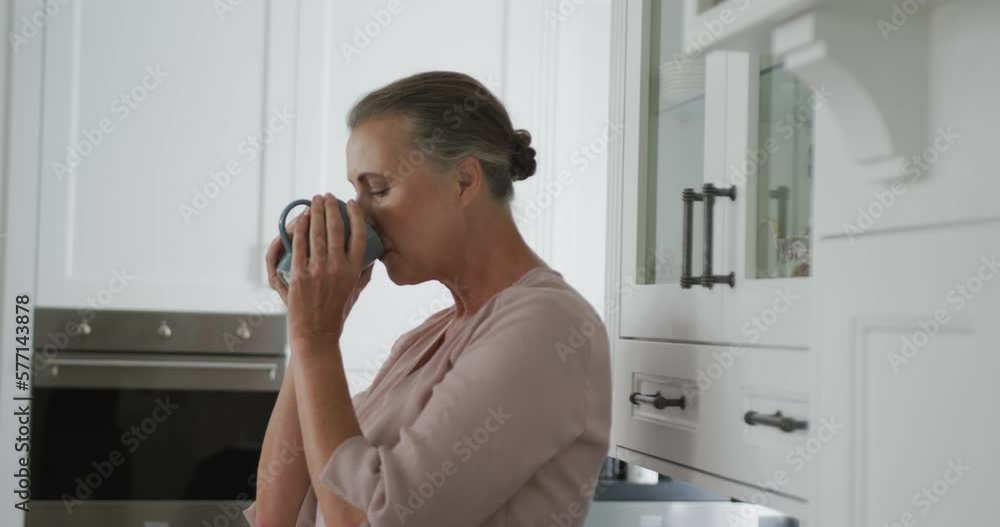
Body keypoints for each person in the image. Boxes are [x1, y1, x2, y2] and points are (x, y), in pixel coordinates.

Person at [242, 71, 610, 527]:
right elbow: (275, 516)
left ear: (463, 181)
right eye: (356, 194)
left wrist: (317, 339)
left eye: (377, 190)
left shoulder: (546, 327)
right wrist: (311, 329)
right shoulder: (429, 337)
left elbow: (363, 521)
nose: (360, 217)